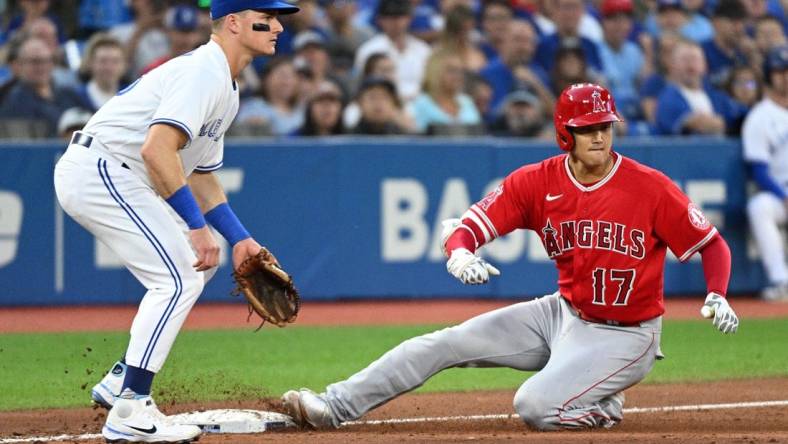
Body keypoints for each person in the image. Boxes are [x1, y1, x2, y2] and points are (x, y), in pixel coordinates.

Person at [281, 83, 739, 431]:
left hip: (628, 335)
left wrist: (718, 293)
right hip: (562, 314)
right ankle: (336, 405)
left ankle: (598, 404)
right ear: (566, 133)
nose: (600, 136)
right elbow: (467, 227)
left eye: (605, 126)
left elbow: (712, 244)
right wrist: (459, 255)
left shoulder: (649, 186)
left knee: (535, 408)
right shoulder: (536, 182)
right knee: (445, 343)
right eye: (588, 129)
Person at [53, 1, 300, 443]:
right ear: (234, 22)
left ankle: (120, 382)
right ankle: (130, 408)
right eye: (268, 17)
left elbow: (200, 174)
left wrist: (240, 239)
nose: (278, 26)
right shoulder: (204, 71)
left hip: (113, 172)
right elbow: (156, 151)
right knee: (180, 277)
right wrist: (196, 227)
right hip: (102, 169)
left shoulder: (227, 86)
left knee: (193, 269)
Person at [743, 45, 788, 301]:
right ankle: (781, 280)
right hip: (780, 191)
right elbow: (759, 170)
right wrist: (783, 196)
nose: (785, 76)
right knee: (760, 206)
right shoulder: (760, 116)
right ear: (770, 76)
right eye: (780, 71)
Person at [406, 50, 482, 134]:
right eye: (451, 70)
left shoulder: (467, 102)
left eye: (461, 71)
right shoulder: (419, 104)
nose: (458, 76)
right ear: (435, 72)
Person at [78, 33, 129, 111]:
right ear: (90, 63)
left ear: (124, 65)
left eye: (115, 61)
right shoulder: (77, 97)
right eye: (103, 61)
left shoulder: (131, 95)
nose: (109, 68)